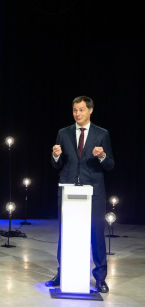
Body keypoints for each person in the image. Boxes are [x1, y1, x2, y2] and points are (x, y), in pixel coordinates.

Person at [46, 96, 114, 293]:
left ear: (90, 110)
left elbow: (110, 165)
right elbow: (56, 164)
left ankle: (100, 277)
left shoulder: (102, 134)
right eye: (75, 110)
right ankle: (63, 272)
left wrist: (102, 156)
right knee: (65, 233)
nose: (78, 114)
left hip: (94, 191)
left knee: (96, 234)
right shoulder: (63, 133)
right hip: (68, 190)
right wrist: (56, 155)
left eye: (82, 110)